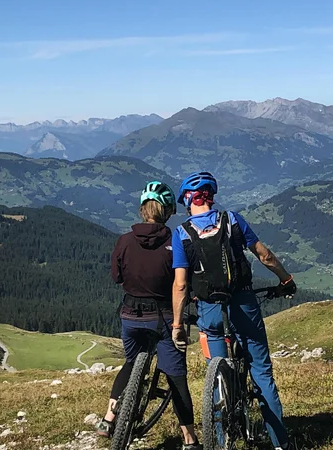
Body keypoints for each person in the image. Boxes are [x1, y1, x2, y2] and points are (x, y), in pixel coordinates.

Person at [169, 171, 297, 450]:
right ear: (211, 197)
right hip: (243, 304)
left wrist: (177, 324)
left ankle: (220, 439)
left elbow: (180, 285)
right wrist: (285, 280)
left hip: (210, 311)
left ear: (187, 201)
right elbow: (264, 255)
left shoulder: (181, 234)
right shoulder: (232, 221)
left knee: (218, 378)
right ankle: (281, 444)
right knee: (261, 373)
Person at [97, 181, 201, 450]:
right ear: (166, 211)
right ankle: (189, 439)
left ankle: (109, 418)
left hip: (131, 315)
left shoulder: (124, 241)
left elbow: (116, 277)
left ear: (143, 209)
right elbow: (185, 282)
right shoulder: (176, 239)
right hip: (165, 317)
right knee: (176, 376)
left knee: (131, 362)